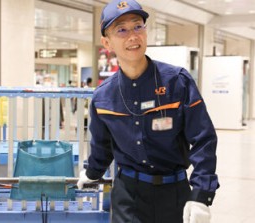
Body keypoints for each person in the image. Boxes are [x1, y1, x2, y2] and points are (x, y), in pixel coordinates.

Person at [77, 0, 219, 222]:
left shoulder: (177, 82)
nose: (132, 36)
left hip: (174, 193)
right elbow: (102, 145)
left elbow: (204, 139)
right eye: (121, 30)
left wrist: (201, 194)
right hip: (128, 196)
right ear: (107, 42)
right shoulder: (103, 96)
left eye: (138, 26)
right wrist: (91, 172)